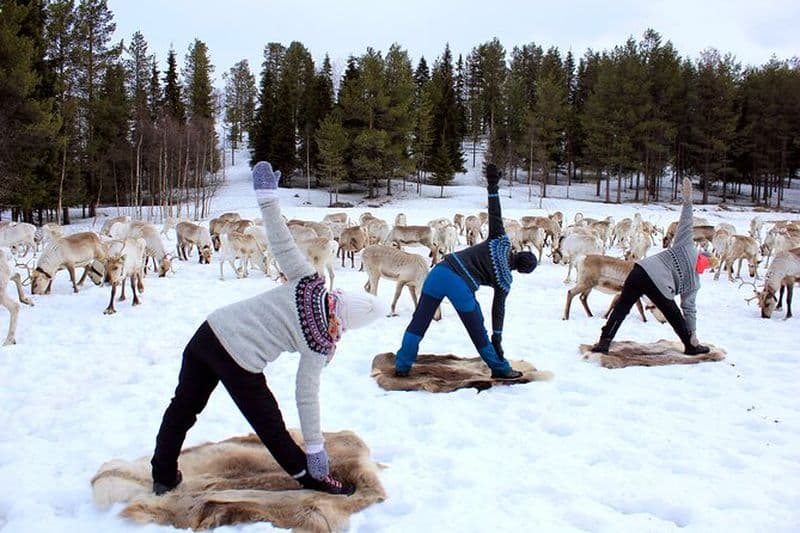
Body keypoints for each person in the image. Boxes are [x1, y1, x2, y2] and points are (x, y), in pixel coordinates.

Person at [150, 161, 386, 497]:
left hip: (210, 331)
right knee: (272, 428)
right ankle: (312, 477)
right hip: (240, 360)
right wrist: (316, 450)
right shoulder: (320, 342)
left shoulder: (309, 281)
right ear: (350, 324)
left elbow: (280, 241)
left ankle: (162, 475)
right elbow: (307, 398)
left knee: (184, 406)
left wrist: (267, 198)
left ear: (342, 296)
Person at [394, 163, 538, 379]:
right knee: (477, 330)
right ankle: (499, 368)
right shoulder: (505, 281)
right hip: (460, 284)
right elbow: (498, 311)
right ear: (523, 271)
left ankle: (403, 364)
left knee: (420, 320)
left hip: (440, 270)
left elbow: (495, 213)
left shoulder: (500, 241)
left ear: (519, 252)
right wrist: (497, 338)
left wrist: (492, 185)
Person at [591, 177, 713, 355]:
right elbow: (689, 309)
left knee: (622, 307)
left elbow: (686, 222)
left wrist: (688, 201)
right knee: (674, 315)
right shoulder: (694, 282)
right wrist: (692, 333)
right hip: (659, 284)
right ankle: (690, 345)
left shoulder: (686, 246)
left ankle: (605, 341)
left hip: (640, 270)